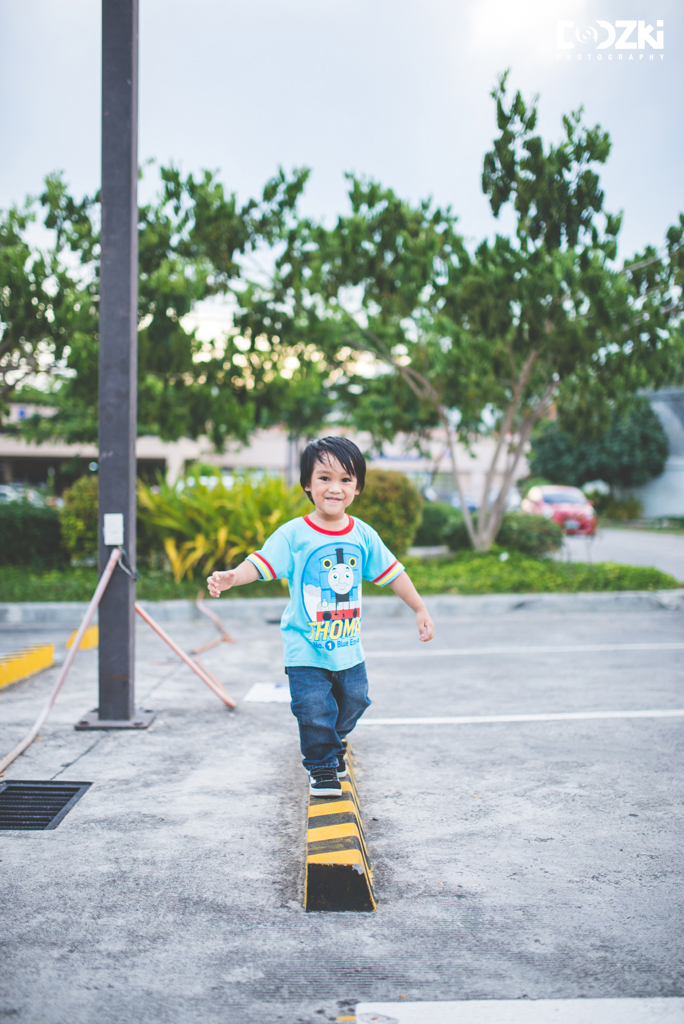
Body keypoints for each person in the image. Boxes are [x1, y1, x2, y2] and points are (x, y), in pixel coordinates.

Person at [207, 436, 434, 797]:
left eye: (346, 479)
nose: (335, 488)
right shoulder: (294, 534)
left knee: (356, 700)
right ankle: (323, 767)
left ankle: (332, 741)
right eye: (325, 478)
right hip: (305, 648)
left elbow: (393, 572)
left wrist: (419, 607)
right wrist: (234, 576)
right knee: (313, 710)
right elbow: (261, 562)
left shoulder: (363, 534)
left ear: (357, 487)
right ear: (307, 485)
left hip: (348, 648)